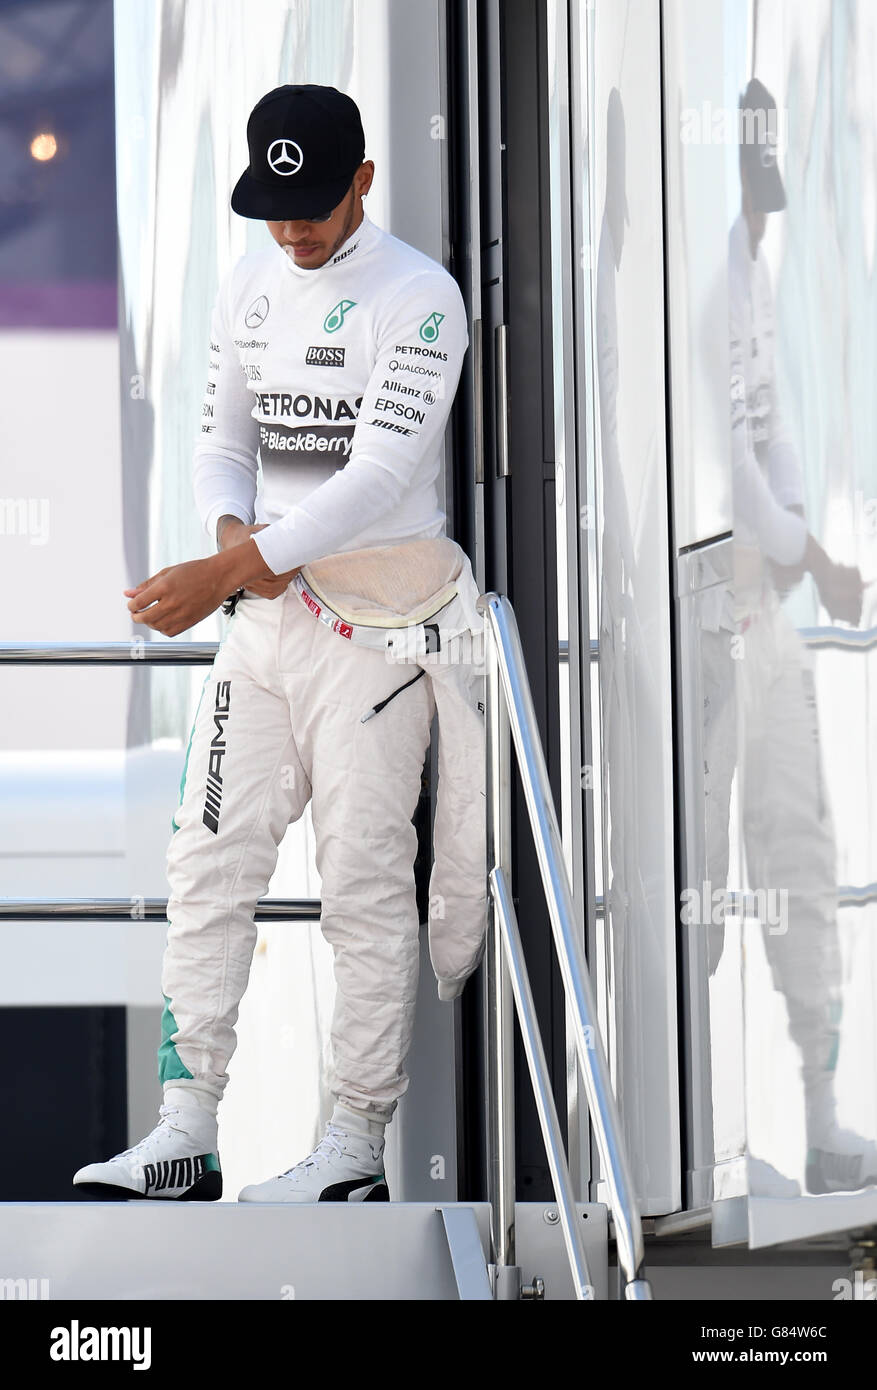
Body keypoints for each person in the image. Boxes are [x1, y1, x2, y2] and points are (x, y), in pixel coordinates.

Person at [73, 83, 485, 1203]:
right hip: (263, 628)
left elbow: (381, 478)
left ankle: (352, 1148)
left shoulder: (421, 297)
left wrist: (226, 570)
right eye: (274, 206)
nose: (292, 229)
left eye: (312, 204)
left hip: (382, 634)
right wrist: (227, 542)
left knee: (359, 883)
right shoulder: (253, 278)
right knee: (205, 866)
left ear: (362, 180)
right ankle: (186, 1130)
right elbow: (221, 443)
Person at [701, 78, 875, 1196]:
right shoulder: (699, 278)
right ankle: (708, 1135)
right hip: (710, 615)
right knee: (702, 878)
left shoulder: (748, 265)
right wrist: (812, 555)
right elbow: (721, 456)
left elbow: (779, 439)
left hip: (766, 619)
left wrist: (802, 540)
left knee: (798, 861)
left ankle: (816, 1114)